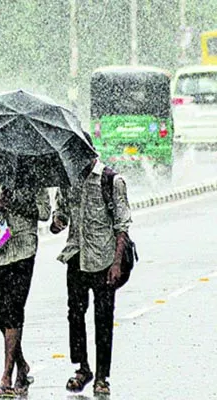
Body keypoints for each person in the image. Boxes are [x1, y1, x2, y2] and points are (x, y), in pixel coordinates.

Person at [50, 157, 132, 396]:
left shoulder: (111, 181)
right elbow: (62, 214)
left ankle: (102, 377)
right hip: (76, 256)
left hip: (104, 260)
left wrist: (116, 264)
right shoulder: (67, 180)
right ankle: (82, 368)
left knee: (103, 319)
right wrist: (57, 222)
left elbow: (122, 226)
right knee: (75, 314)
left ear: (90, 156)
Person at [0, 177, 50, 396]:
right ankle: (21, 365)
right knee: (2, 317)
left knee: (15, 310)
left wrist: (18, 203)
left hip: (24, 250)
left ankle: (7, 375)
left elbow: (44, 212)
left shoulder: (33, 173)